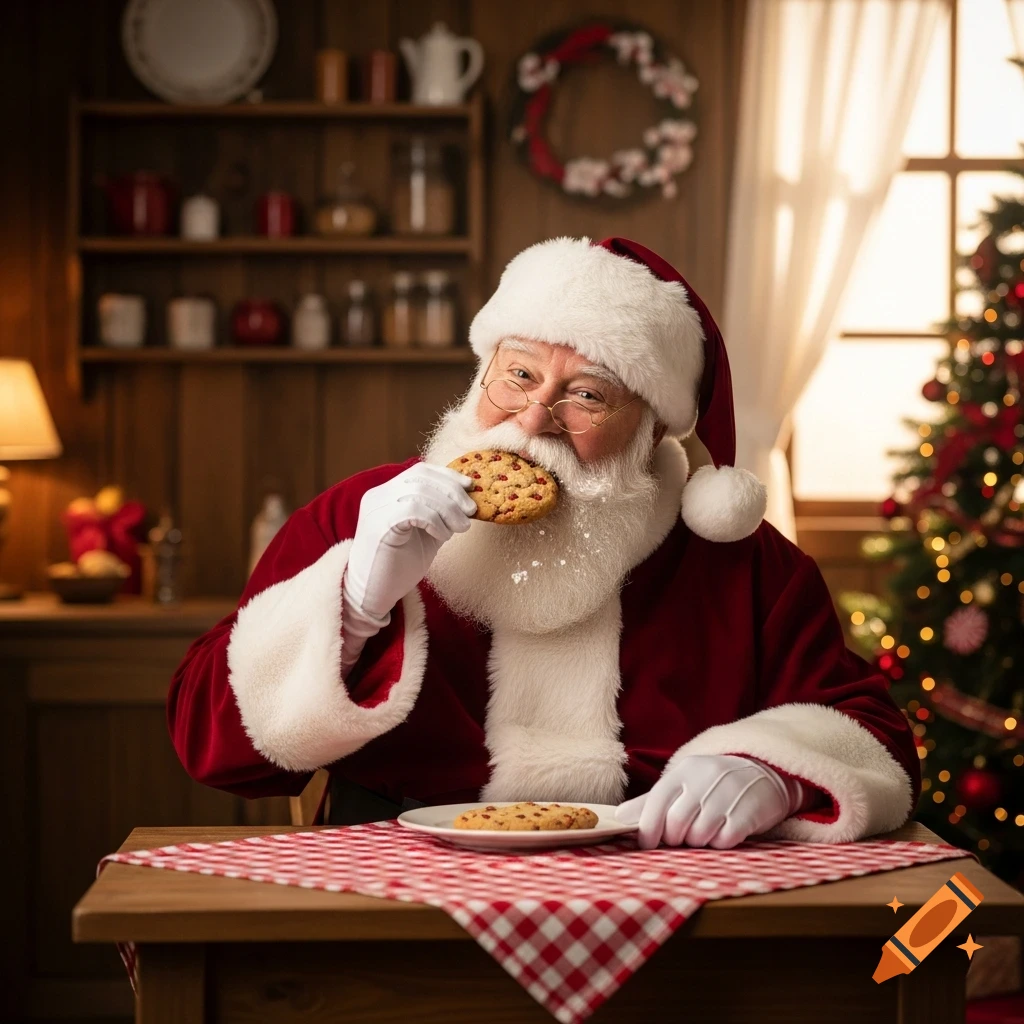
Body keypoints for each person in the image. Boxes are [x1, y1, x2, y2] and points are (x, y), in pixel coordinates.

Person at [167, 236, 921, 849]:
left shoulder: (743, 562)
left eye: (587, 394)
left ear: (656, 427)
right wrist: (354, 603)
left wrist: (777, 769)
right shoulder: (364, 516)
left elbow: (875, 733)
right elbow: (210, 743)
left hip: (665, 894)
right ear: (478, 376)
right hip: (397, 890)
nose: (531, 421)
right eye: (517, 374)